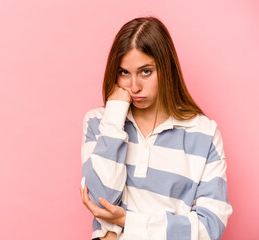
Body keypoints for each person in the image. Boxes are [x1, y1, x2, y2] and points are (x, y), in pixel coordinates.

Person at [79, 16, 232, 240]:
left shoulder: (204, 133)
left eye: (146, 72)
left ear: (166, 68)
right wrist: (114, 116)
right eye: (124, 73)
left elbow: (210, 226)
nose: (134, 87)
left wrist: (126, 221)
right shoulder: (100, 122)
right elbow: (101, 200)